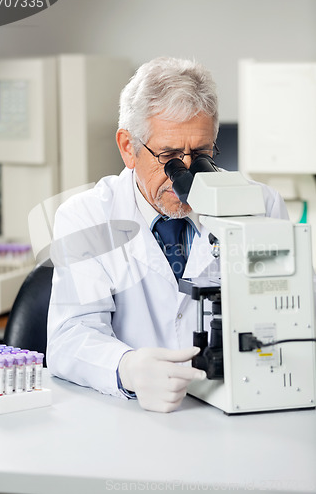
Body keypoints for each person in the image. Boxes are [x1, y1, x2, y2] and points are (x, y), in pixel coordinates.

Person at [47, 56, 289, 413]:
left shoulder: (260, 205)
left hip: (241, 406)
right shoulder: (87, 216)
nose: (187, 175)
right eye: (170, 157)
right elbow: (69, 337)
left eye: (202, 154)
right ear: (128, 147)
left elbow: (288, 319)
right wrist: (126, 367)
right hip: (129, 416)